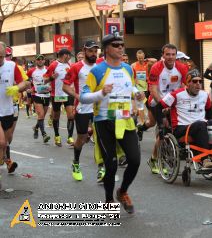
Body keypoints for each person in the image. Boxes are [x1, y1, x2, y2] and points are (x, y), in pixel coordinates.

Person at [80, 34, 142, 212]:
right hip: (104, 121)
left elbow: (131, 88)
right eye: (116, 45)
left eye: (122, 45)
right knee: (112, 164)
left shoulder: (128, 69)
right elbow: (83, 97)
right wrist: (101, 93)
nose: (120, 48)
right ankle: (108, 200)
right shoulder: (97, 71)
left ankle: (122, 191)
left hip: (124, 119)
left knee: (135, 160)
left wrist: (138, 96)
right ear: (106, 48)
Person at [160, 69, 212, 168]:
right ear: (188, 83)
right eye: (194, 81)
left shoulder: (204, 95)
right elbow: (158, 106)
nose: (198, 84)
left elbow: (209, 111)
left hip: (200, 126)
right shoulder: (177, 94)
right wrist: (162, 120)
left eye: (200, 81)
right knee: (200, 124)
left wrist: (210, 123)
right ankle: (205, 159)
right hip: (182, 127)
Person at [143, 44, 188, 174]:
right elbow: (153, 89)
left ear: (176, 55)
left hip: (174, 102)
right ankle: (156, 160)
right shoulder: (156, 67)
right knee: (163, 132)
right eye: (167, 54)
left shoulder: (182, 67)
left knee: (177, 129)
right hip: (158, 101)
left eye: (173, 54)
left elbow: (187, 84)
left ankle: (157, 157)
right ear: (163, 55)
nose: (170, 57)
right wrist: (163, 104)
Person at [62, 40, 99, 181]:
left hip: (98, 108)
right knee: (82, 139)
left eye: (95, 51)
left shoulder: (101, 66)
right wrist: (78, 96)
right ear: (84, 51)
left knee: (101, 137)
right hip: (82, 108)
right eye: (90, 51)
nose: (93, 54)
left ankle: (102, 167)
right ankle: (76, 163)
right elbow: (65, 86)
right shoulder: (76, 67)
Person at [0, 42, 30, 175]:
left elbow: (27, 82)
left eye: (2, 56)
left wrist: (18, 88)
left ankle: (5, 160)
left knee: (7, 141)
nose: (0, 59)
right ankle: (7, 162)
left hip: (9, 109)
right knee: (1, 142)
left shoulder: (12, 66)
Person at [43, 49, 75, 147]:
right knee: (56, 116)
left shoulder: (70, 65)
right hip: (57, 94)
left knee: (71, 116)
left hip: (68, 93)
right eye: (69, 55)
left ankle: (70, 137)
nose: (70, 57)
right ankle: (57, 136)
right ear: (64, 55)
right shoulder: (53, 65)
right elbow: (45, 80)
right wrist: (51, 78)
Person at [27, 54, 51, 143]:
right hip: (36, 95)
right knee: (40, 115)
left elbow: (52, 81)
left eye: (42, 59)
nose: (40, 61)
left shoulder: (48, 69)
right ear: (35, 61)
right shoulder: (32, 71)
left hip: (47, 95)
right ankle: (44, 134)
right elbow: (25, 80)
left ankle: (36, 127)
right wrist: (29, 89)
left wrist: (52, 87)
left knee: (42, 116)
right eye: (38, 60)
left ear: (44, 61)